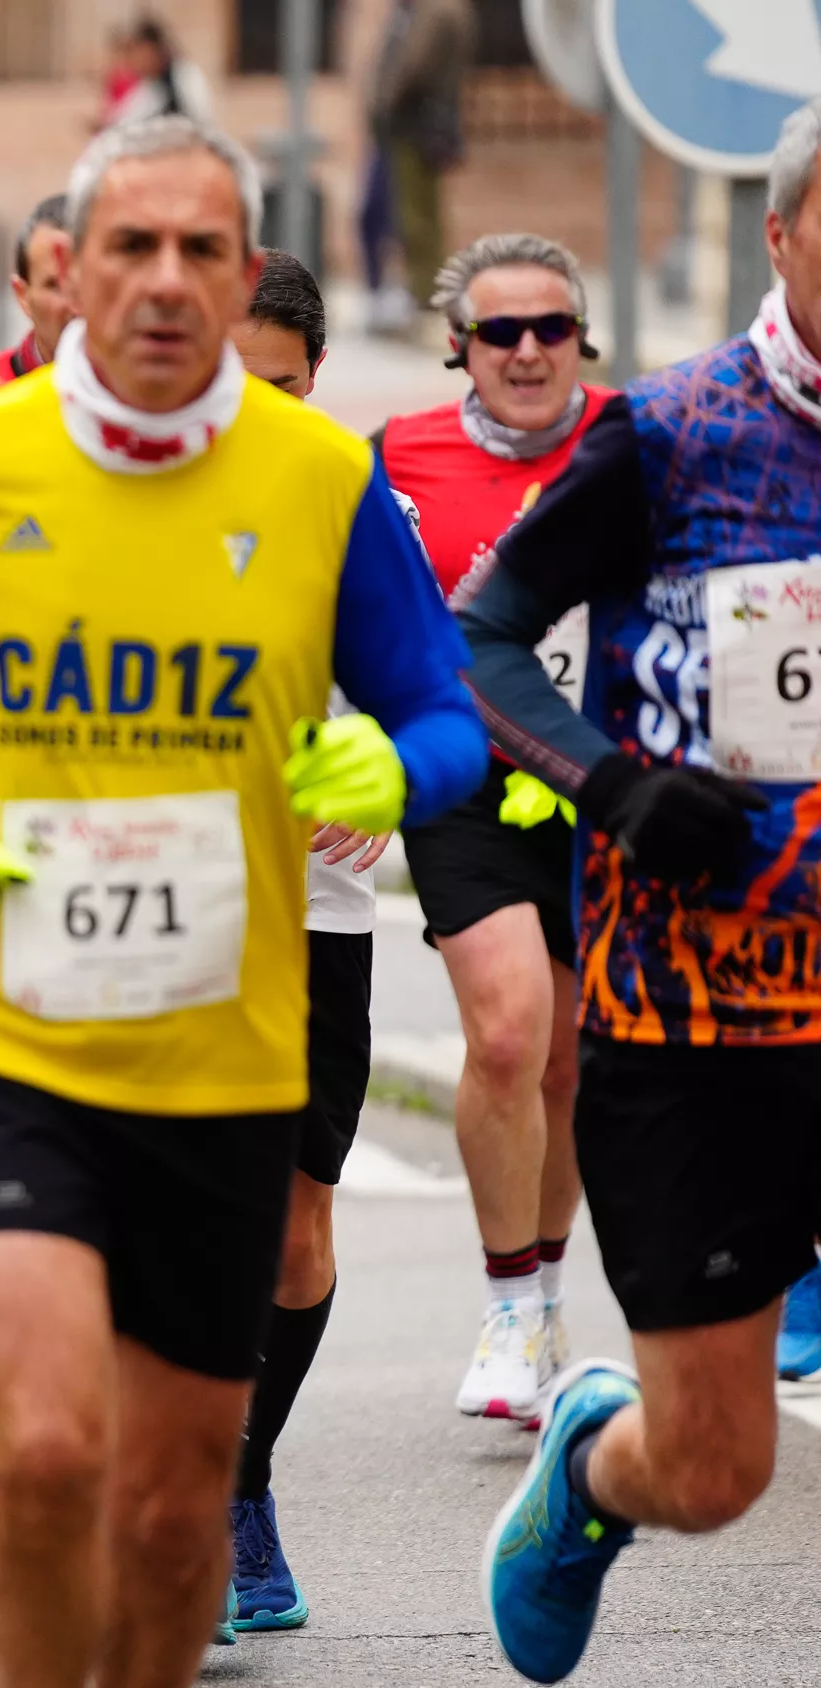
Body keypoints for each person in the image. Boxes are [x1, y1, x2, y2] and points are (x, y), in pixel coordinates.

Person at [0, 114, 485, 1685]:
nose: (164, 280)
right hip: (2, 1032)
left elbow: (439, 713)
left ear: (244, 281)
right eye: (130, 247)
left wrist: (390, 769)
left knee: (169, 1511)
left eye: (201, 250)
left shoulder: (319, 478)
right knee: (53, 1445)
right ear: (67, 275)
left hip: (221, 1053)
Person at [466, 97, 821, 1687]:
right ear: (782, 233)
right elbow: (476, 634)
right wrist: (610, 782)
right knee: (715, 1470)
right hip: (696, 1021)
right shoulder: (674, 434)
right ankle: (598, 1469)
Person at [378, 231, 613, 1427]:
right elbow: (347, 604)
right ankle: (509, 1301)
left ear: (583, 339)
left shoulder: (639, 435)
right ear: (460, 347)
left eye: (552, 328)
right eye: (500, 332)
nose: (528, 352)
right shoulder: (398, 456)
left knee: (569, 1057)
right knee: (511, 1032)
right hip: (465, 777)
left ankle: (552, 1285)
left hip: (606, 780)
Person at [221, 247, 377, 1635]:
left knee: (297, 1231)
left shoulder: (344, 490)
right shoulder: (95, 478)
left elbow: (437, 677)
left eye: (275, 386)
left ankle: (241, 1482)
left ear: (313, 379)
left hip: (314, 909)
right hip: (139, 903)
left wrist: (390, 763)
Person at [365, 0, 476, 337]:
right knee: (420, 213)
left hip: (414, 124)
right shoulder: (443, 10)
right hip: (421, 122)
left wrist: (386, 100)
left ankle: (425, 293)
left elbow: (415, 66)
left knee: (415, 216)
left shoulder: (436, 11)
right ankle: (425, 291)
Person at [0, 195, 73, 382]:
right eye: (55, 286)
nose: (75, 305)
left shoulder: (147, 395)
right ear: (22, 296)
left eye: (87, 282)